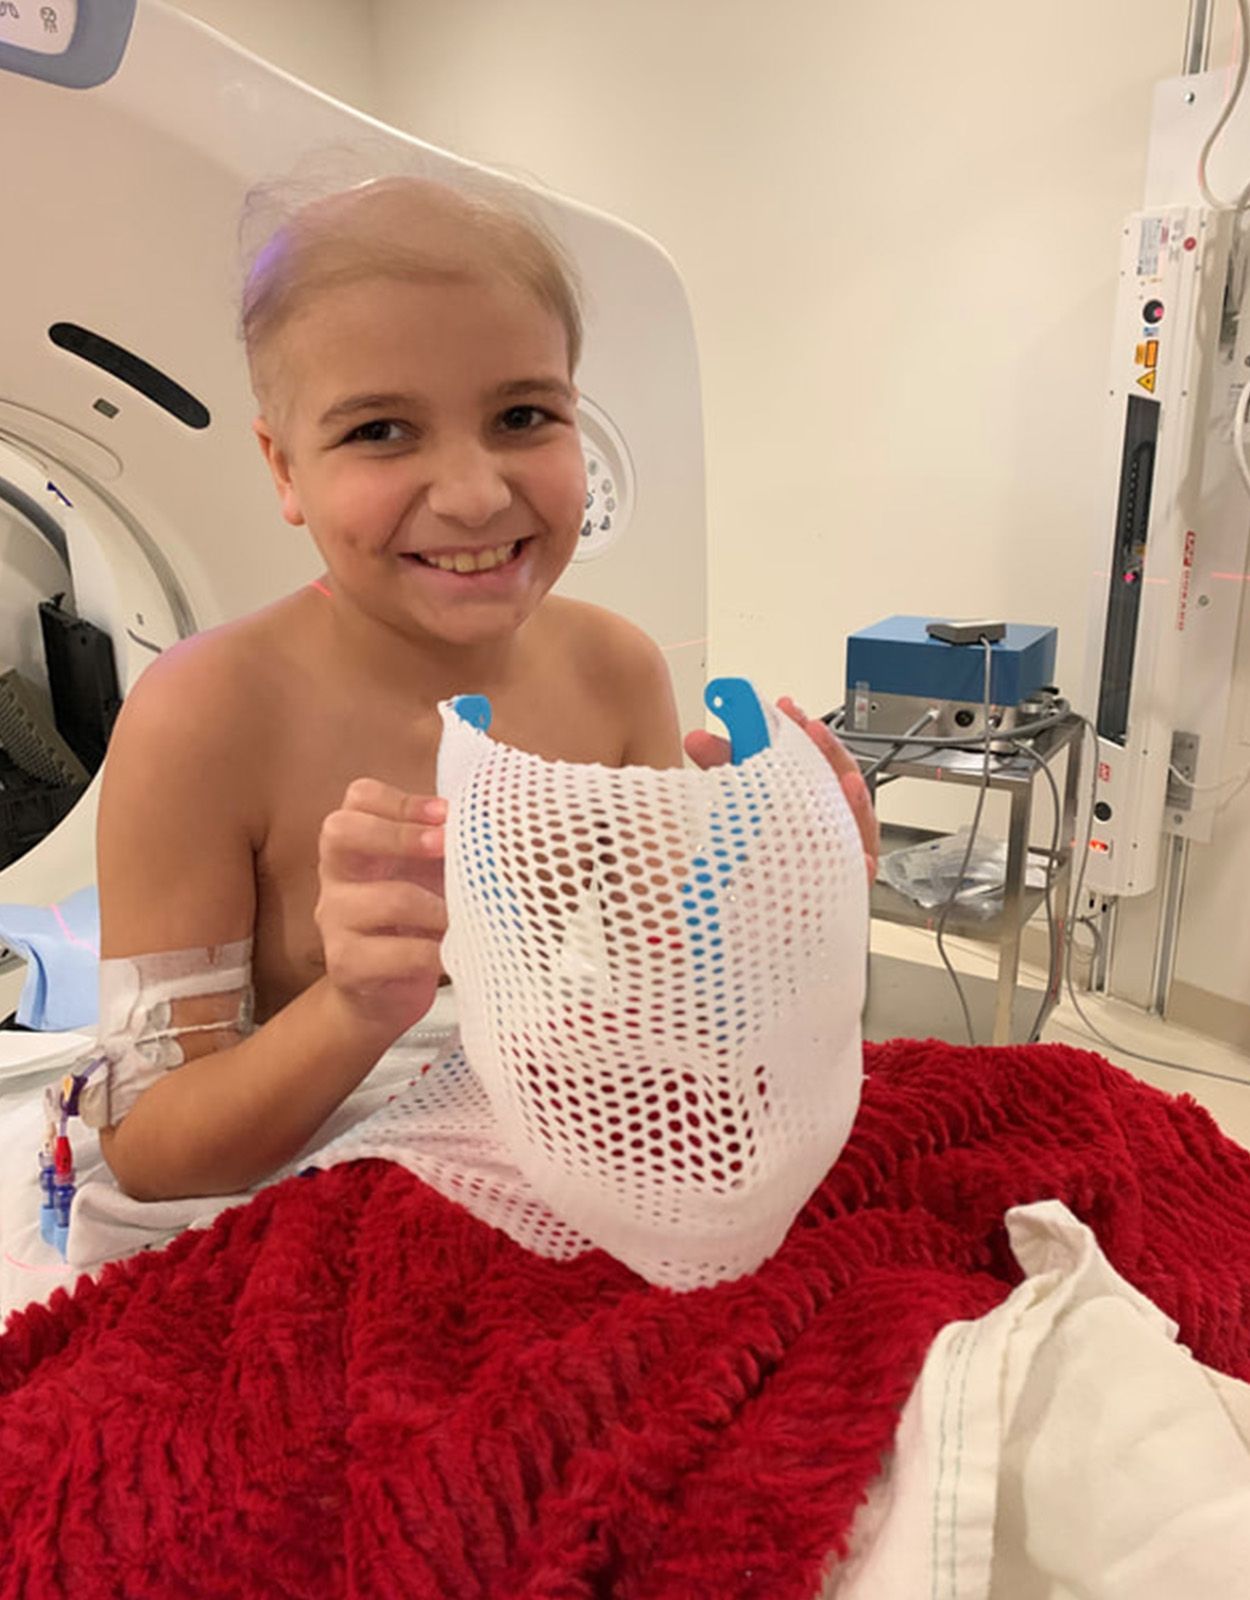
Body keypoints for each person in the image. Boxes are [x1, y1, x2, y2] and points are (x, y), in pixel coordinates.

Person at [92, 175, 878, 1204]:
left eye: (521, 415)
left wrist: (790, 909)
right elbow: (147, 1147)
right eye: (379, 430)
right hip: (312, 1211)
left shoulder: (615, 669)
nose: (471, 494)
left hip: (560, 1185)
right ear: (282, 466)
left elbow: (663, 1021)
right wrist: (352, 1008)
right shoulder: (205, 714)